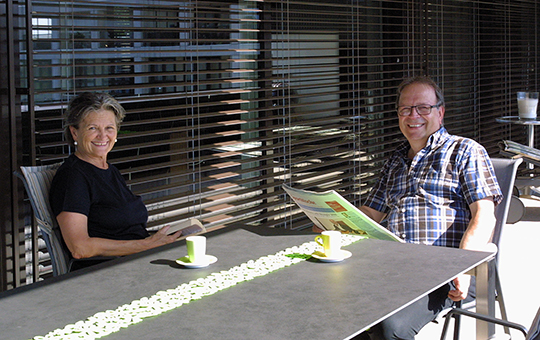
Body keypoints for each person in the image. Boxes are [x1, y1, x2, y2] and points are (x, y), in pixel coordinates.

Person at [352, 76, 503, 340]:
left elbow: (484, 215)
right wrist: (332, 217)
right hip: (388, 266)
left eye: (423, 107)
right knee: (336, 313)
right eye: (405, 109)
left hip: (440, 272)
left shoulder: (464, 151)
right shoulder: (395, 161)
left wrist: (463, 268)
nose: (413, 116)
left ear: (440, 112)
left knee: (391, 328)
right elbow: (370, 214)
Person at [50, 92, 182, 260]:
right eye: (93, 128)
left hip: (138, 258)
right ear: (75, 133)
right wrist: (144, 245)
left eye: (109, 128)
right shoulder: (73, 177)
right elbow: (80, 247)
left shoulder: (108, 170)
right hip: (111, 270)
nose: (103, 136)